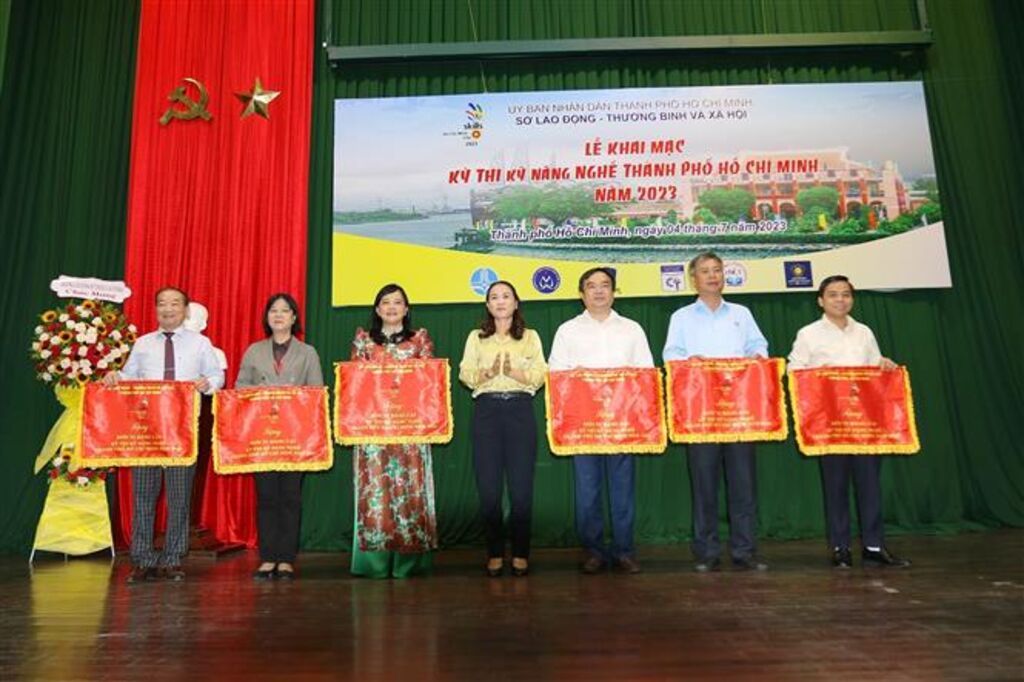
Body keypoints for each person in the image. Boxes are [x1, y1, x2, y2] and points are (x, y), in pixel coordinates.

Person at [788, 274, 911, 569]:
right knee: (836, 487)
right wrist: (822, 375)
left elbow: (874, 369)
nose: (840, 300)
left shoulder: (864, 332)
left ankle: (874, 546)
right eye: (833, 295)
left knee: (870, 486)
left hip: (865, 424)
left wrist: (885, 365)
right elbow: (794, 371)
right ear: (821, 301)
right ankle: (840, 548)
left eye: (845, 294)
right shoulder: (808, 334)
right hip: (831, 426)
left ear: (852, 299)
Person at [104, 286, 224, 583]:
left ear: (185, 310)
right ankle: (143, 560)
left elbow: (217, 376)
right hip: (147, 433)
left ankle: (172, 559)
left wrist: (207, 383)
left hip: (183, 433)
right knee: (144, 496)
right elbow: (130, 377)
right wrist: (116, 377)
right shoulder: (143, 344)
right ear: (156, 309)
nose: (168, 309)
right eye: (162, 304)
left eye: (174, 304)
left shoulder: (200, 343)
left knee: (179, 498)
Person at [663, 251, 769, 572]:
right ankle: (706, 552)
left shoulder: (741, 313)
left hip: (739, 412)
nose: (712, 276)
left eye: (717, 270)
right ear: (693, 279)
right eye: (705, 271)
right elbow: (671, 355)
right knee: (704, 486)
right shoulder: (681, 317)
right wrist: (689, 362)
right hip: (702, 414)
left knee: (743, 485)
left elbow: (759, 346)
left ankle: (744, 551)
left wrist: (756, 358)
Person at [548, 267, 654, 574]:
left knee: (623, 491)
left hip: (622, 423)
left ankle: (624, 551)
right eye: (591, 286)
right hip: (584, 426)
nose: (598, 291)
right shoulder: (567, 330)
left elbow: (645, 372)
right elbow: (556, 373)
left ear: (613, 292)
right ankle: (593, 551)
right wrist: (579, 377)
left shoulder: (632, 329)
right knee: (587, 492)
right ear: (581, 294)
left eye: (605, 285)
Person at [349, 284, 438, 578]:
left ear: (406, 309)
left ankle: (409, 563)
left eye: (397, 302)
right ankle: (373, 563)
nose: (391, 307)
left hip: (409, 428)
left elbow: (428, 382)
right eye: (385, 302)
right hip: (373, 430)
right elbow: (355, 383)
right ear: (377, 309)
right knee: (374, 491)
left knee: (410, 490)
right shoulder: (363, 342)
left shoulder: (419, 341)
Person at [459, 281, 546, 577]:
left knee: (521, 490)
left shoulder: (530, 337)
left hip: (520, 410)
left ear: (516, 303)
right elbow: (465, 372)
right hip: (487, 412)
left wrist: (514, 373)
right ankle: (494, 552)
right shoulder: (476, 337)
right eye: (494, 297)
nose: (500, 301)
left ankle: (521, 553)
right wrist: (485, 373)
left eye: (506, 296)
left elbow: (541, 373)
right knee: (489, 489)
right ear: (487, 305)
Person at [236, 293, 324, 580]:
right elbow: (239, 389)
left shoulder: (308, 352)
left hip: (294, 438)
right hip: (262, 437)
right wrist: (260, 394)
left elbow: (316, 393)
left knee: (290, 497)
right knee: (266, 497)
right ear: (267, 317)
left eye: (285, 311)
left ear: (294, 317)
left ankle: (285, 558)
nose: (278, 315)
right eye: (273, 310)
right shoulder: (254, 351)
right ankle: (267, 557)